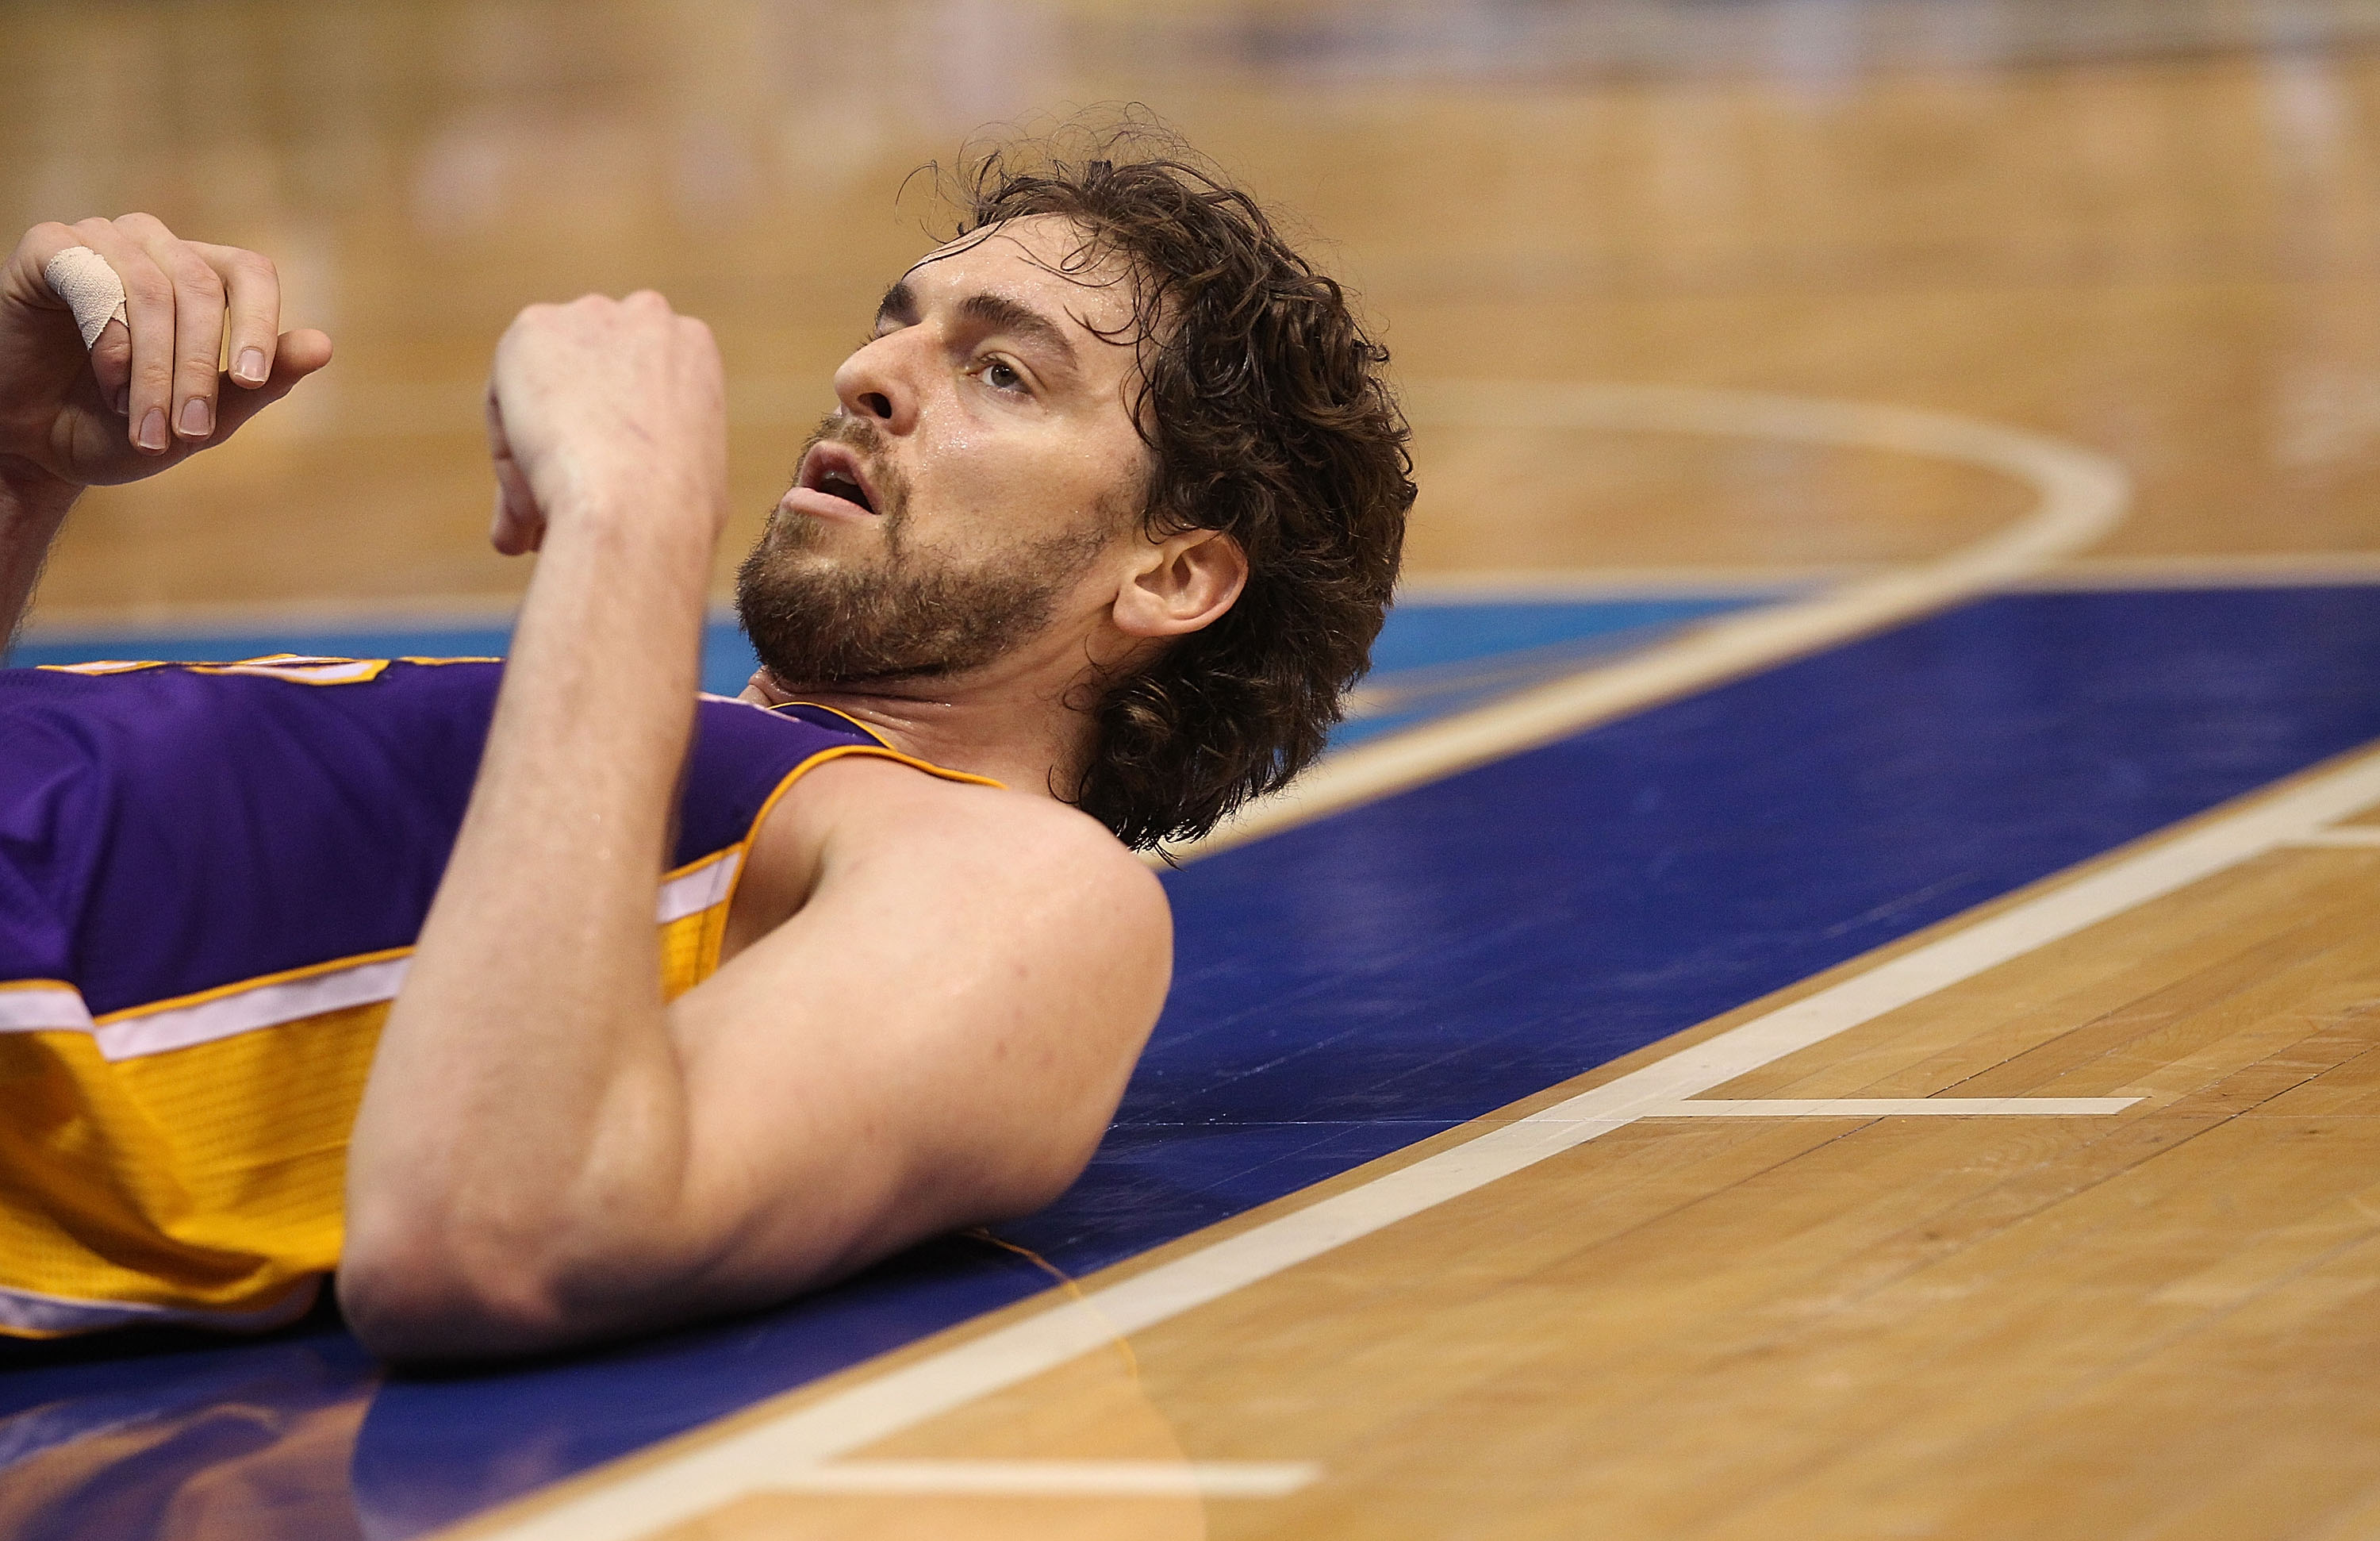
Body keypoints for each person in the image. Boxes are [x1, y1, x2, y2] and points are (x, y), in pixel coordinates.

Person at [0, 138, 1414, 1361]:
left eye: (1001, 372)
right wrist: (19, 463)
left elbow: (492, 1232)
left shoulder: (1034, 889)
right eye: (895, 325)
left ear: (1173, 578)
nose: (866, 373)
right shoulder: (641, 764)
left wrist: (629, 518)